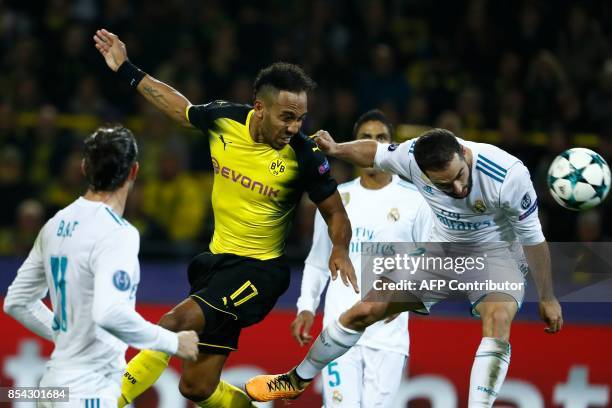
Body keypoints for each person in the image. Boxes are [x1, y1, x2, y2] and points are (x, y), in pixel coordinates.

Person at [93, 29, 356, 408]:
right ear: (259, 108)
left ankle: (104, 401)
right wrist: (126, 69)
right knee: (197, 389)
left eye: (300, 118)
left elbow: (334, 210)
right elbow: (179, 108)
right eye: (287, 117)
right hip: (216, 264)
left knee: (171, 324)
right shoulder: (224, 120)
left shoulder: (305, 155)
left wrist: (341, 248)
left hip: (260, 273)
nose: (295, 127)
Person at [246, 128, 564, 407]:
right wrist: (337, 149)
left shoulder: (508, 176)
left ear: (464, 154)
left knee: (497, 318)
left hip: (496, 257)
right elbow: (375, 153)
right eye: (444, 184)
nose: (456, 189)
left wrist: (547, 296)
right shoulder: (412, 156)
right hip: (441, 253)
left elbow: (534, 240)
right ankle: (296, 379)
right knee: (364, 310)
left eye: (459, 176)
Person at [3, 126, 199, 408]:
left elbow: (17, 301)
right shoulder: (118, 232)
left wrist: (65, 334)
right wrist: (172, 342)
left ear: (84, 168)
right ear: (134, 172)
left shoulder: (55, 224)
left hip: (53, 387)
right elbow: (110, 313)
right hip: (89, 391)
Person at [292, 110, 434, 407]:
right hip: (338, 329)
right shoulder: (335, 199)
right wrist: (306, 306)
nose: (374, 144)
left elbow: (429, 263)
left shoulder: (415, 201)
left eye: (381, 138)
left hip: (388, 337)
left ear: (392, 147)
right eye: (366, 138)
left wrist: (406, 297)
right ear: (355, 144)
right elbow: (318, 261)